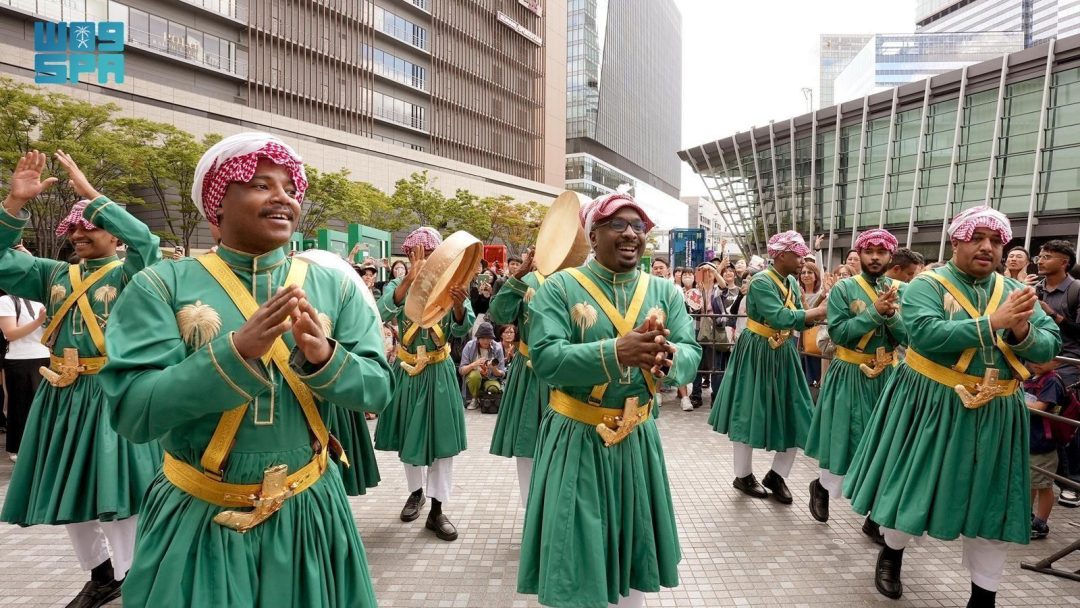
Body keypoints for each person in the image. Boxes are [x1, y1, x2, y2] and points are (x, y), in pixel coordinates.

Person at [99, 133, 393, 607]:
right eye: (260, 185)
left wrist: (325, 357)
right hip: (201, 516)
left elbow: (378, 390)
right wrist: (235, 353)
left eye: (290, 190)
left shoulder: (334, 286)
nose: (283, 198)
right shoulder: (161, 285)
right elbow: (135, 412)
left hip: (310, 512)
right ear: (217, 205)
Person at [843, 206, 1060, 606]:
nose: (987, 247)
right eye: (977, 238)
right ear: (955, 242)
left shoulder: (1015, 292)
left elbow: (1049, 346)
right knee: (912, 489)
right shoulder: (927, 285)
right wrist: (993, 323)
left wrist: (1021, 328)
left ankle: (984, 596)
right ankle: (892, 551)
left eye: (995, 241)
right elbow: (925, 334)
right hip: (932, 405)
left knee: (993, 505)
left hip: (998, 413)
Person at [517, 192, 701, 608]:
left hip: (638, 438)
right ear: (593, 235)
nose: (631, 233)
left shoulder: (665, 292)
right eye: (618, 224)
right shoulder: (560, 287)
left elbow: (691, 351)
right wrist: (616, 352)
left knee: (634, 545)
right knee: (576, 548)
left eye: (638, 226)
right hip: (577, 436)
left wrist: (669, 360)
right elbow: (545, 358)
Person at [0, 150, 163, 608]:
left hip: (113, 393)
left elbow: (147, 241)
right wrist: (14, 204)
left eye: (90, 225)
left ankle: (134, 578)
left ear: (114, 234)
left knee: (119, 491)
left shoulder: (133, 274)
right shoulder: (51, 274)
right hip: (61, 396)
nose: (79, 233)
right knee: (68, 490)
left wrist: (91, 194)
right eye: (73, 227)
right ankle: (101, 575)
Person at [710, 231, 828, 503]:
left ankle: (777, 475)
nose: (803, 260)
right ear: (782, 255)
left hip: (783, 351)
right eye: (798, 255)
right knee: (747, 411)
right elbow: (780, 317)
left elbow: (798, 316)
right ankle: (742, 475)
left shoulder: (790, 281)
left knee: (796, 413)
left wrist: (814, 311)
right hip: (757, 351)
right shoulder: (762, 281)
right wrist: (819, 312)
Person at [805, 229, 906, 537]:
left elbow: (909, 337)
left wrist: (891, 317)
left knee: (886, 445)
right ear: (859, 254)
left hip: (888, 375)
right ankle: (822, 485)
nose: (875, 257)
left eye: (881, 252)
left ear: (890, 256)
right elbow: (838, 333)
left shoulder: (901, 290)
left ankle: (876, 517)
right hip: (849, 370)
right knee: (844, 438)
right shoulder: (844, 289)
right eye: (869, 251)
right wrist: (875, 313)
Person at [375, 227, 474, 542]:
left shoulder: (452, 283)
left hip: (439, 370)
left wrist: (458, 306)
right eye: (420, 254)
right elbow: (381, 311)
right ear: (409, 255)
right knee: (409, 437)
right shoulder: (397, 284)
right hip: (407, 370)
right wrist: (408, 280)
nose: (427, 260)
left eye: (432, 255)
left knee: (443, 442)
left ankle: (437, 509)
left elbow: (463, 329)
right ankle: (415, 492)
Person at [488, 248, 548, 505]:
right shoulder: (528, 280)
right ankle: (530, 510)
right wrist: (518, 277)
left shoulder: (580, 281)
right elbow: (499, 314)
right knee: (527, 441)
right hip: (529, 370)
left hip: (566, 373)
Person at [0, 291, 48, 462]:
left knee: (45, 406)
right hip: (20, 359)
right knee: (21, 405)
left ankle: (42, 446)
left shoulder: (42, 300)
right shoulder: (7, 300)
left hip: (47, 357)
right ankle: (17, 447)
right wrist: (39, 321)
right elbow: (11, 334)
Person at [1024, 360, 1068, 540]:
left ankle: (1040, 523)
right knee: (1030, 481)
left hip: (1043, 443)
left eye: (1044, 358)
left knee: (1043, 485)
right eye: (1034, 357)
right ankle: (1026, 516)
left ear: (1056, 362)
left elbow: (1041, 407)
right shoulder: (1032, 377)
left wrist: (1015, 400)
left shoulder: (1052, 381)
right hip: (1030, 439)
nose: (1037, 362)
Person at [459, 321, 506, 409]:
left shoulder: (497, 348)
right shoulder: (470, 346)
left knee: (494, 389)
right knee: (474, 376)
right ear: (478, 338)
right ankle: (474, 399)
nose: (486, 341)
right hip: (474, 377)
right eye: (483, 338)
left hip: (490, 377)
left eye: (488, 338)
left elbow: (502, 373)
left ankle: (486, 398)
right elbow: (461, 370)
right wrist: (473, 365)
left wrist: (493, 368)